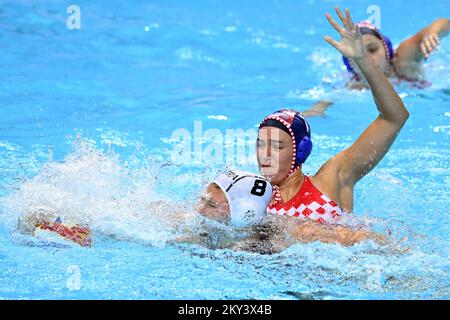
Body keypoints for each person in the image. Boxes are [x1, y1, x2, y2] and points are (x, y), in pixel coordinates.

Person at [255, 7, 409, 228]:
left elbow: (394, 118)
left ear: (302, 150)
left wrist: (363, 61)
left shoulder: (332, 179)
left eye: (277, 146)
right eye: (260, 145)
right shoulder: (251, 197)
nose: (265, 155)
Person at [342, 17, 449, 89]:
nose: (368, 58)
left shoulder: (402, 61)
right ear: (350, 63)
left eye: (372, 49)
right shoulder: (355, 85)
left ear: (386, 49)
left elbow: (444, 23)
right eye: (359, 54)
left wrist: (431, 34)